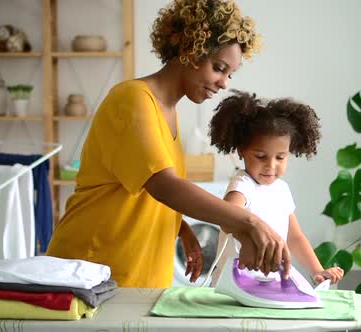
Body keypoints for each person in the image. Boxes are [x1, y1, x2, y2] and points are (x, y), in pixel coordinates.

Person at [46, 0, 292, 288]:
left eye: (230, 74)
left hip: (137, 280)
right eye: (219, 68)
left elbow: (138, 192)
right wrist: (249, 223)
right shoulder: (132, 100)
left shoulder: (169, 113)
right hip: (90, 270)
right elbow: (164, 186)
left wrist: (181, 228)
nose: (224, 83)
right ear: (190, 50)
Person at [208, 90, 345, 285]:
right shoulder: (242, 184)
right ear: (242, 150)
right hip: (232, 283)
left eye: (280, 157)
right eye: (261, 156)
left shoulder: (282, 189)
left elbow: (295, 237)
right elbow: (227, 218)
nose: (271, 165)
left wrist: (318, 270)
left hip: (266, 282)